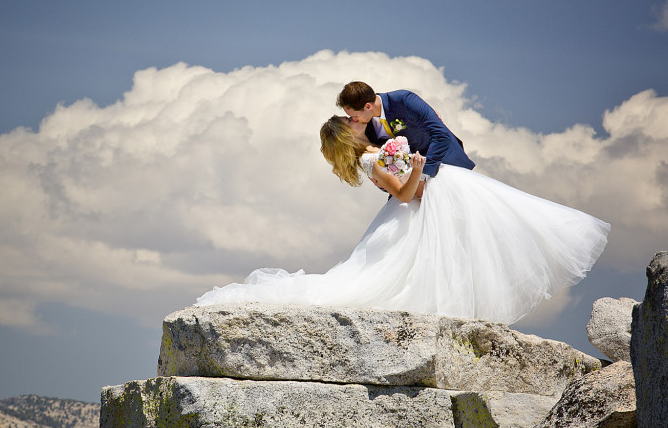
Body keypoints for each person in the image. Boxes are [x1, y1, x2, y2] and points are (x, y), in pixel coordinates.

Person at [194, 115, 610, 325]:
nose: (360, 123)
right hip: (415, 207)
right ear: (349, 135)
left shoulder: (375, 153)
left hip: (426, 203)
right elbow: (406, 193)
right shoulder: (374, 158)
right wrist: (418, 166)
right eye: (353, 123)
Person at [338, 81, 475, 182]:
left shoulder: (403, 100)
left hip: (447, 166)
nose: (354, 120)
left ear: (368, 106)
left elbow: (441, 135)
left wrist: (423, 175)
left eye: (354, 116)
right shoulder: (366, 128)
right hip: (413, 184)